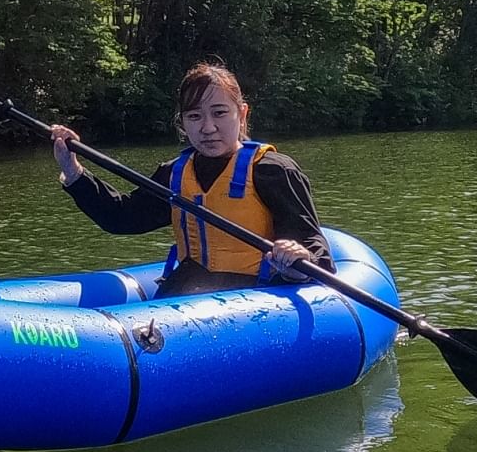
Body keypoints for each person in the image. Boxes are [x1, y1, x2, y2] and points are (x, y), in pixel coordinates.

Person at [49, 61, 331, 299]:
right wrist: (73, 171)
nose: (208, 127)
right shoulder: (174, 174)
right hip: (187, 290)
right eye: (194, 116)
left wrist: (296, 260)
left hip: (256, 298)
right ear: (182, 123)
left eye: (220, 113)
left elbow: (317, 252)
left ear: (242, 114)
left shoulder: (273, 171)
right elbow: (122, 218)